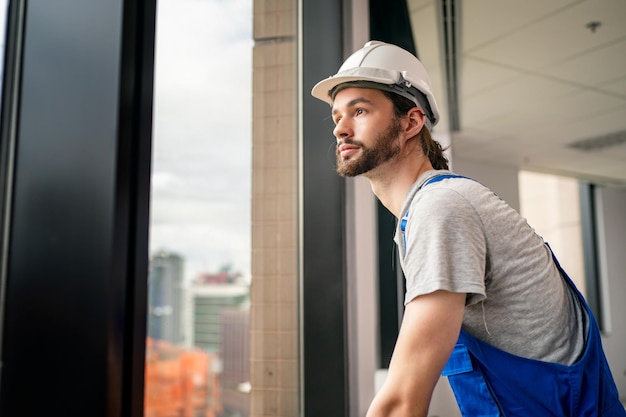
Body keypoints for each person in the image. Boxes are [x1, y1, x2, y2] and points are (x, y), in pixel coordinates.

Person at [311, 40, 625, 417]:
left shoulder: (442, 208)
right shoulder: (432, 208)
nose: (340, 129)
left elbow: (401, 402)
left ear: (411, 121)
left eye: (359, 111)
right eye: (336, 116)